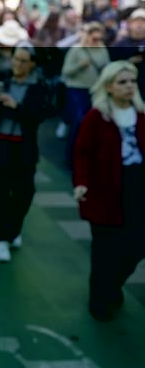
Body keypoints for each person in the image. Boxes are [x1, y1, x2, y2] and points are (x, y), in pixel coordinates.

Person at [73, 61, 145, 322]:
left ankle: (113, 285)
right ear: (109, 87)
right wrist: (81, 182)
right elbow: (81, 152)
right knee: (105, 249)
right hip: (105, 190)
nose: (129, 86)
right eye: (122, 82)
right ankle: (99, 299)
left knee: (136, 247)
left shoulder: (141, 113)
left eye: (132, 82)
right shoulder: (97, 116)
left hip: (137, 188)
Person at [0, 43, 50, 262]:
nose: (18, 64)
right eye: (15, 59)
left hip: (24, 147)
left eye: (23, 60)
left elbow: (39, 115)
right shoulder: (1, 78)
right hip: (0, 145)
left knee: (24, 193)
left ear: (32, 64)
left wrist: (17, 107)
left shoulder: (39, 86)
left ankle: (13, 229)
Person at [62, 22, 110, 167]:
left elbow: (106, 68)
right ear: (87, 37)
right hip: (77, 90)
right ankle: (71, 155)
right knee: (79, 121)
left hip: (95, 90)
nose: (96, 42)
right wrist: (80, 65)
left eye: (98, 39)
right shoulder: (77, 50)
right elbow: (66, 71)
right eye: (93, 39)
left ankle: (89, 156)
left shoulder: (102, 50)